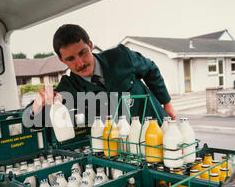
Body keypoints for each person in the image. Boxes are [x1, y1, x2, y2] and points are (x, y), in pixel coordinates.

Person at [22, 24, 175, 128]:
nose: (80, 63)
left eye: (82, 53)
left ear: (90, 45)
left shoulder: (121, 57)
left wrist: (166, 103)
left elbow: (151, 69)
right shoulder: (69, 88)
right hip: (124, 149)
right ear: (61, 60)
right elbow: (30, 120)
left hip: (159, 129)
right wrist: (37, 104)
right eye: (70, 59)